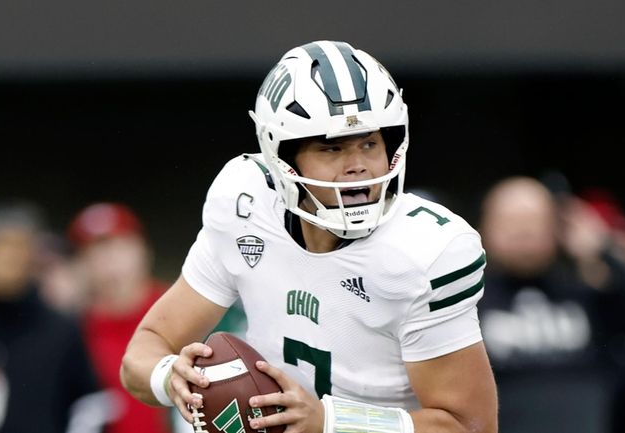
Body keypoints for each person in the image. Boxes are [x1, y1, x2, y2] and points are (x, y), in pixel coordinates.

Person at [120, 40, 498, 433]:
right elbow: (142, 354)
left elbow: (470, 426)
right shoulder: (245, 205)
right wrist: (171, 378)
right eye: (332, 148)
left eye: (370, 143)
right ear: (282, 158)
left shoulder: (428, 251)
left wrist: (331, 422)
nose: (359, 167)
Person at [476, 176, 625, 433]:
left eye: (534, 220)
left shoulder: (582, 296)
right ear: (483, 227)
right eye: (510, 221)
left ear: (557, 227)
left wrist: (602, 249)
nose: (523, 230)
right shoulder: (467, 302)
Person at [0, 199, 105, 433]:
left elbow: (89, 404)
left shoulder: (60, 329)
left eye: (20, 248)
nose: (10, 258)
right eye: (1, 245)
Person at [68, 202, 173, 433]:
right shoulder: (72, 331)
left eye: (120, 247)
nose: (111, 260)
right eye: (97, 251)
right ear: (81, 263)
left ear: (144, 250)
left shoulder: (179, 311)